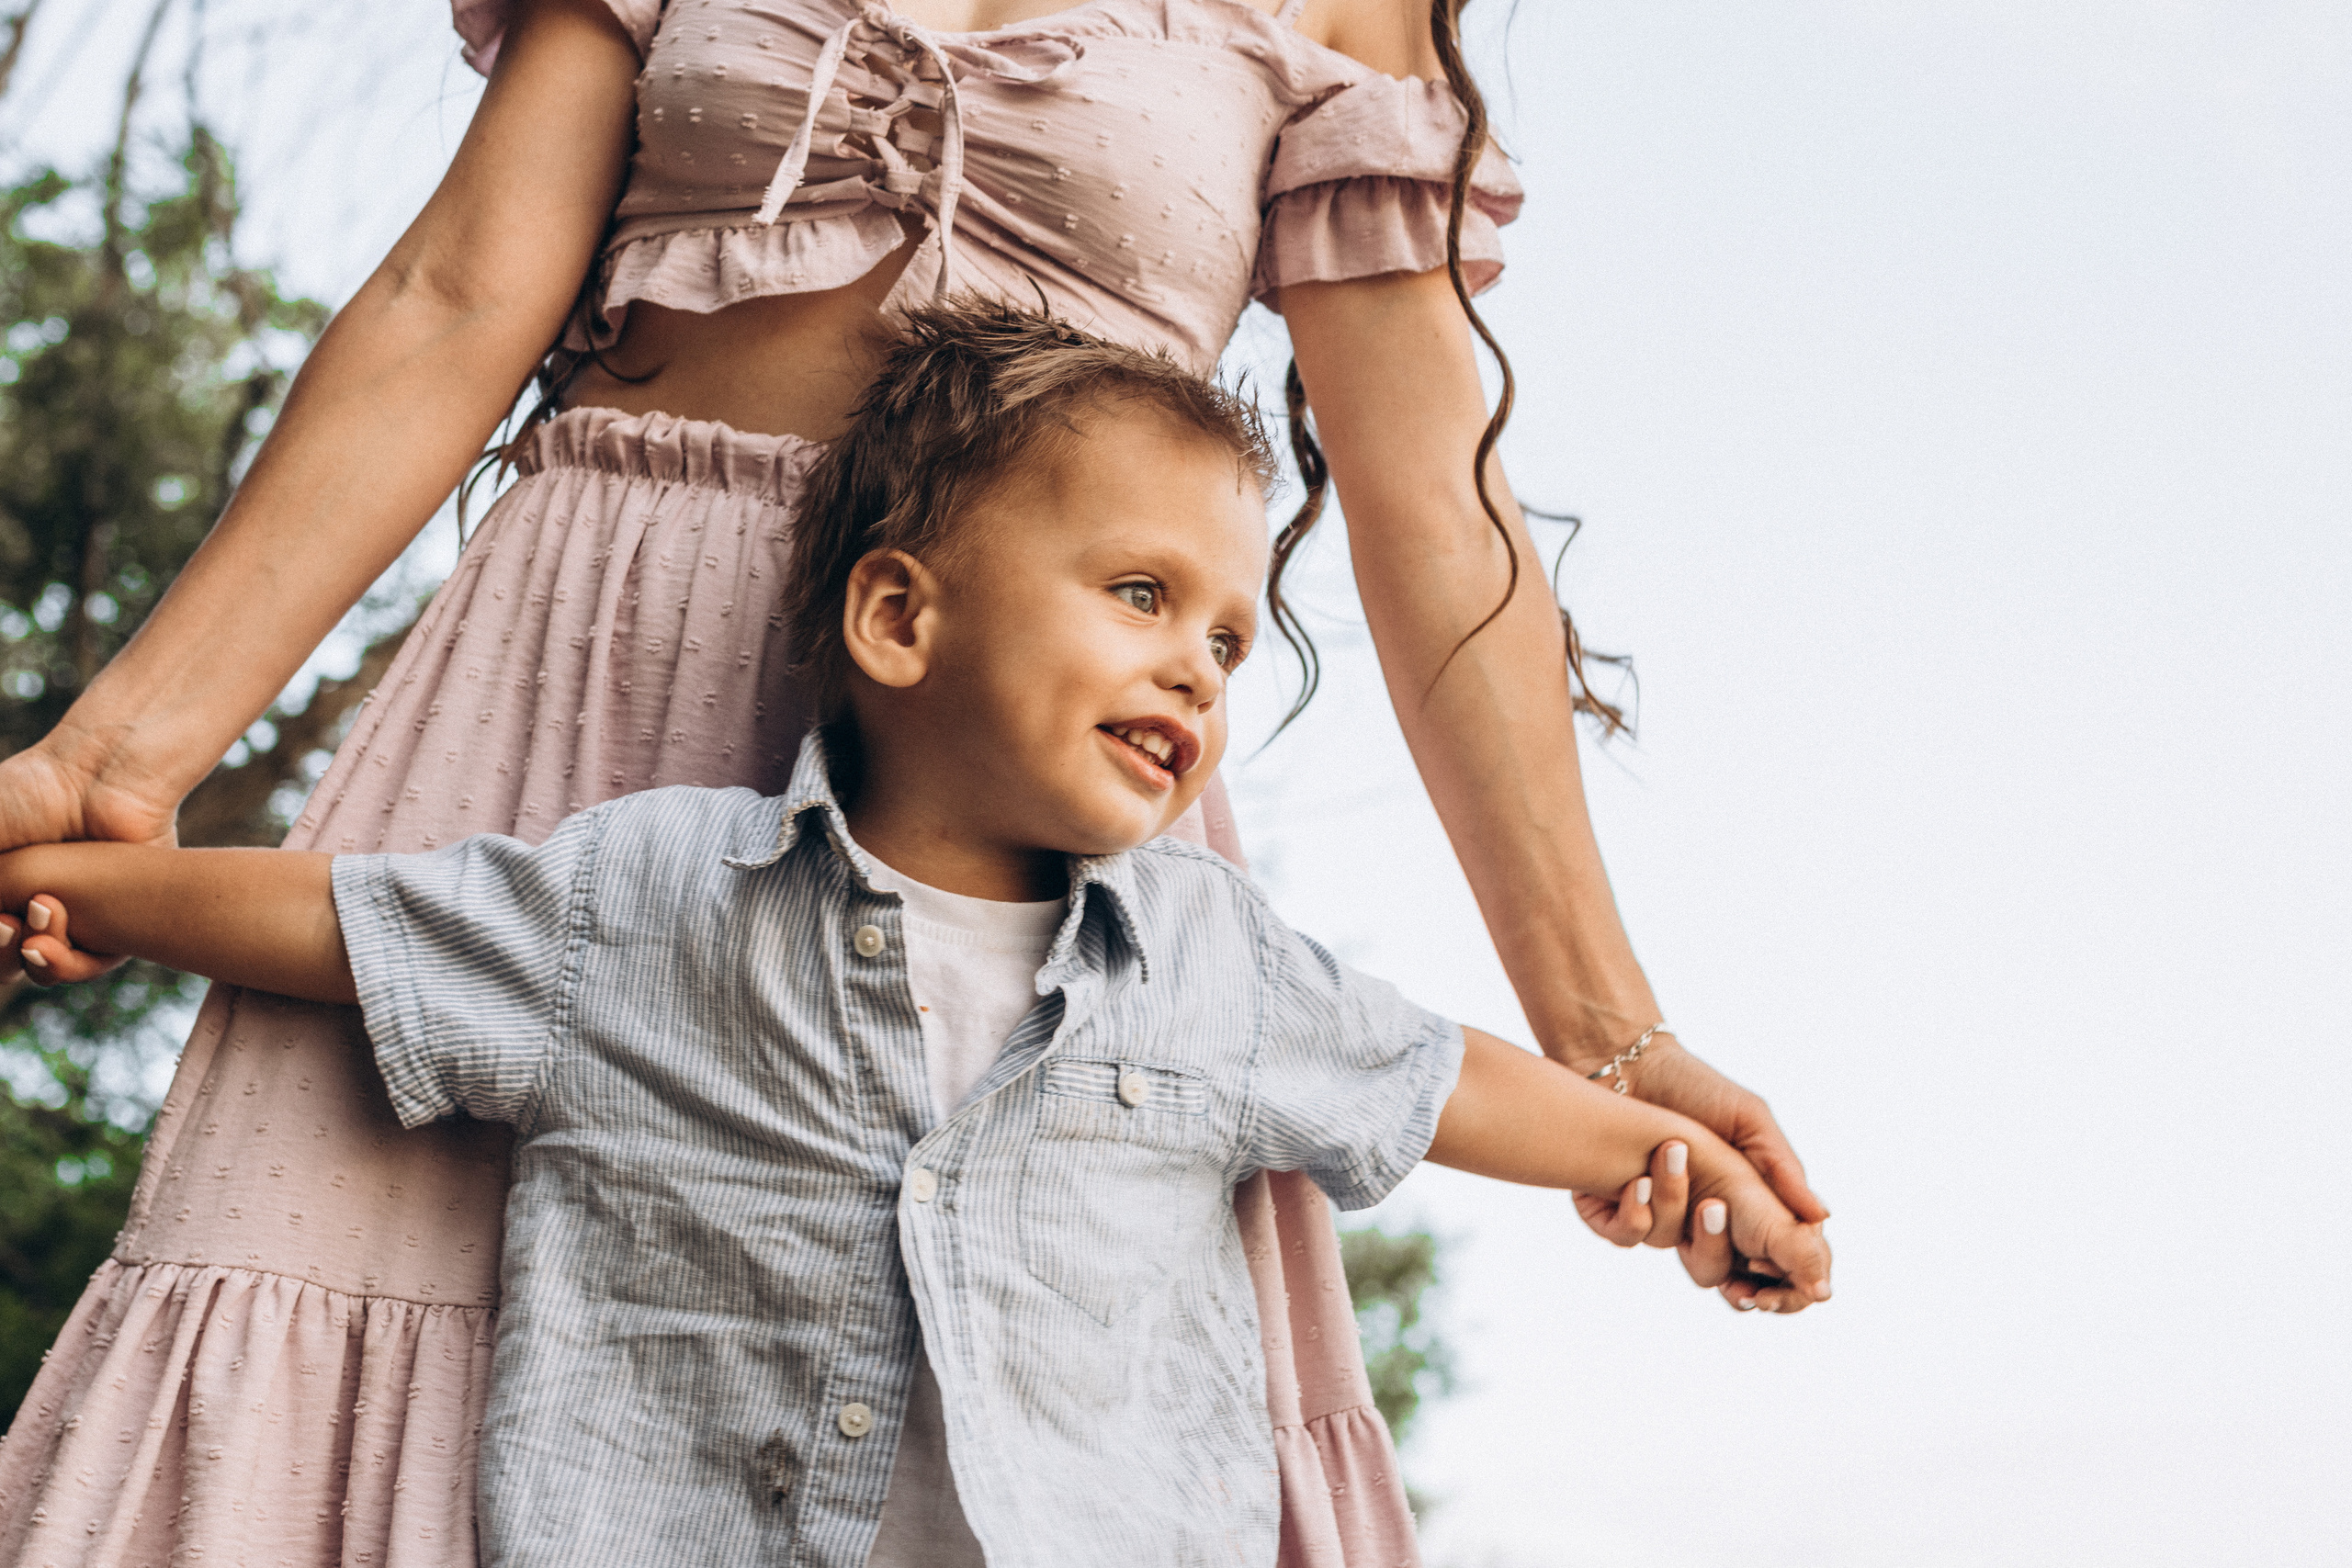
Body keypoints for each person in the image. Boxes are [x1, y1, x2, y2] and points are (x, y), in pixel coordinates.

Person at [0, 0, 1827, 1562]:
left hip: (1028, 745)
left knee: (1010, 1406)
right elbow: (455, 292)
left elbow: (1433, 512)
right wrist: (107, 765)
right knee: (320, 1321)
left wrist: (1609, 1039)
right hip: (577, 679)